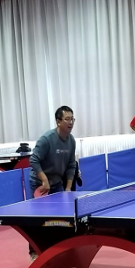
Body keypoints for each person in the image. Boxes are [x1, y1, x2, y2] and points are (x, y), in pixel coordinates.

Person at [28, 106, 78, 260]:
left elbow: (71, 165)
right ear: (58, 121)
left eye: (72, 119)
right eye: (67, 119)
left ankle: (58, 249)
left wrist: (68, 188)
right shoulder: (47, 139)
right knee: (39, 218)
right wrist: (44, 180)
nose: (71, 122)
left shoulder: (71, 141)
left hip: (56, 183)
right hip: (39, 183)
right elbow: (33, 160)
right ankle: (34, 252)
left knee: (63, 216)